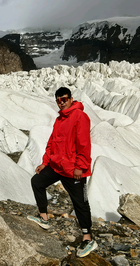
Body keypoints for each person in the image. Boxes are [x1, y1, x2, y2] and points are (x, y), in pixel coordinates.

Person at [27, 87, 97, 258]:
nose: (61, 102)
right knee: (37, 181)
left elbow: (84, 143)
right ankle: (44, 218)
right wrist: (45, 163)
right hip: (57, 166)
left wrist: (80, 166)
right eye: (59, 100)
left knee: (80, 202)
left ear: (71, 99)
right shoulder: (60, 119)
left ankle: (88, 238)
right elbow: (52, 143)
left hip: (73, 170)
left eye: (64, 98)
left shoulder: (80, 116)